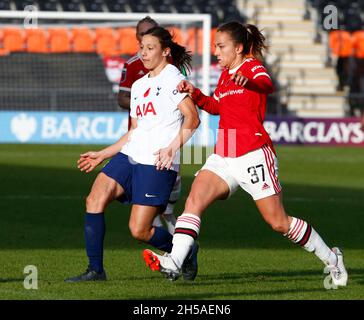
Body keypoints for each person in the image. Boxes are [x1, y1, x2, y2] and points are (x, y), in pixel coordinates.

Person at [143, 21, 348, 287]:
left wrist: (247, 80)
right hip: (225, 150)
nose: (216, 52)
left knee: (278, 222)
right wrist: (195, 94)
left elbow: (266, 85)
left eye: (221, 46)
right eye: (215, 47)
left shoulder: (252, 67)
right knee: (194, 200)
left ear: (238, 48)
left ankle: (332, 259)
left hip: (253, 153)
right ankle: (175, 261)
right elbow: (216, 107)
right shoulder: (226, 74)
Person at [65, 26, 200, 282]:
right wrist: (103, 154)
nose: (144, 53)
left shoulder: (173, 78)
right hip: (129, 156)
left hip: (156, 163)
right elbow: (134, 131)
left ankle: (185, 251)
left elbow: (192, 120)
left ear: (165, 51)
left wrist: (172, 148)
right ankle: (96, 270)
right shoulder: (138, 86)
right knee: (94, 200)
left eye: (150, 48)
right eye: (141, 48)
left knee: (139, 230)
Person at [118, 16, 180, 235]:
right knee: (106, 195)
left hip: (162, 147)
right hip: (136, 144)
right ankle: (176, 252)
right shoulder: (134, 68)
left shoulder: (170, 71)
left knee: (162, 210)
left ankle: (181, 250)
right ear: (137, 37)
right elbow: (121, 98)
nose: (145, 49)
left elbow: (190, 115)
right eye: (142, 38)